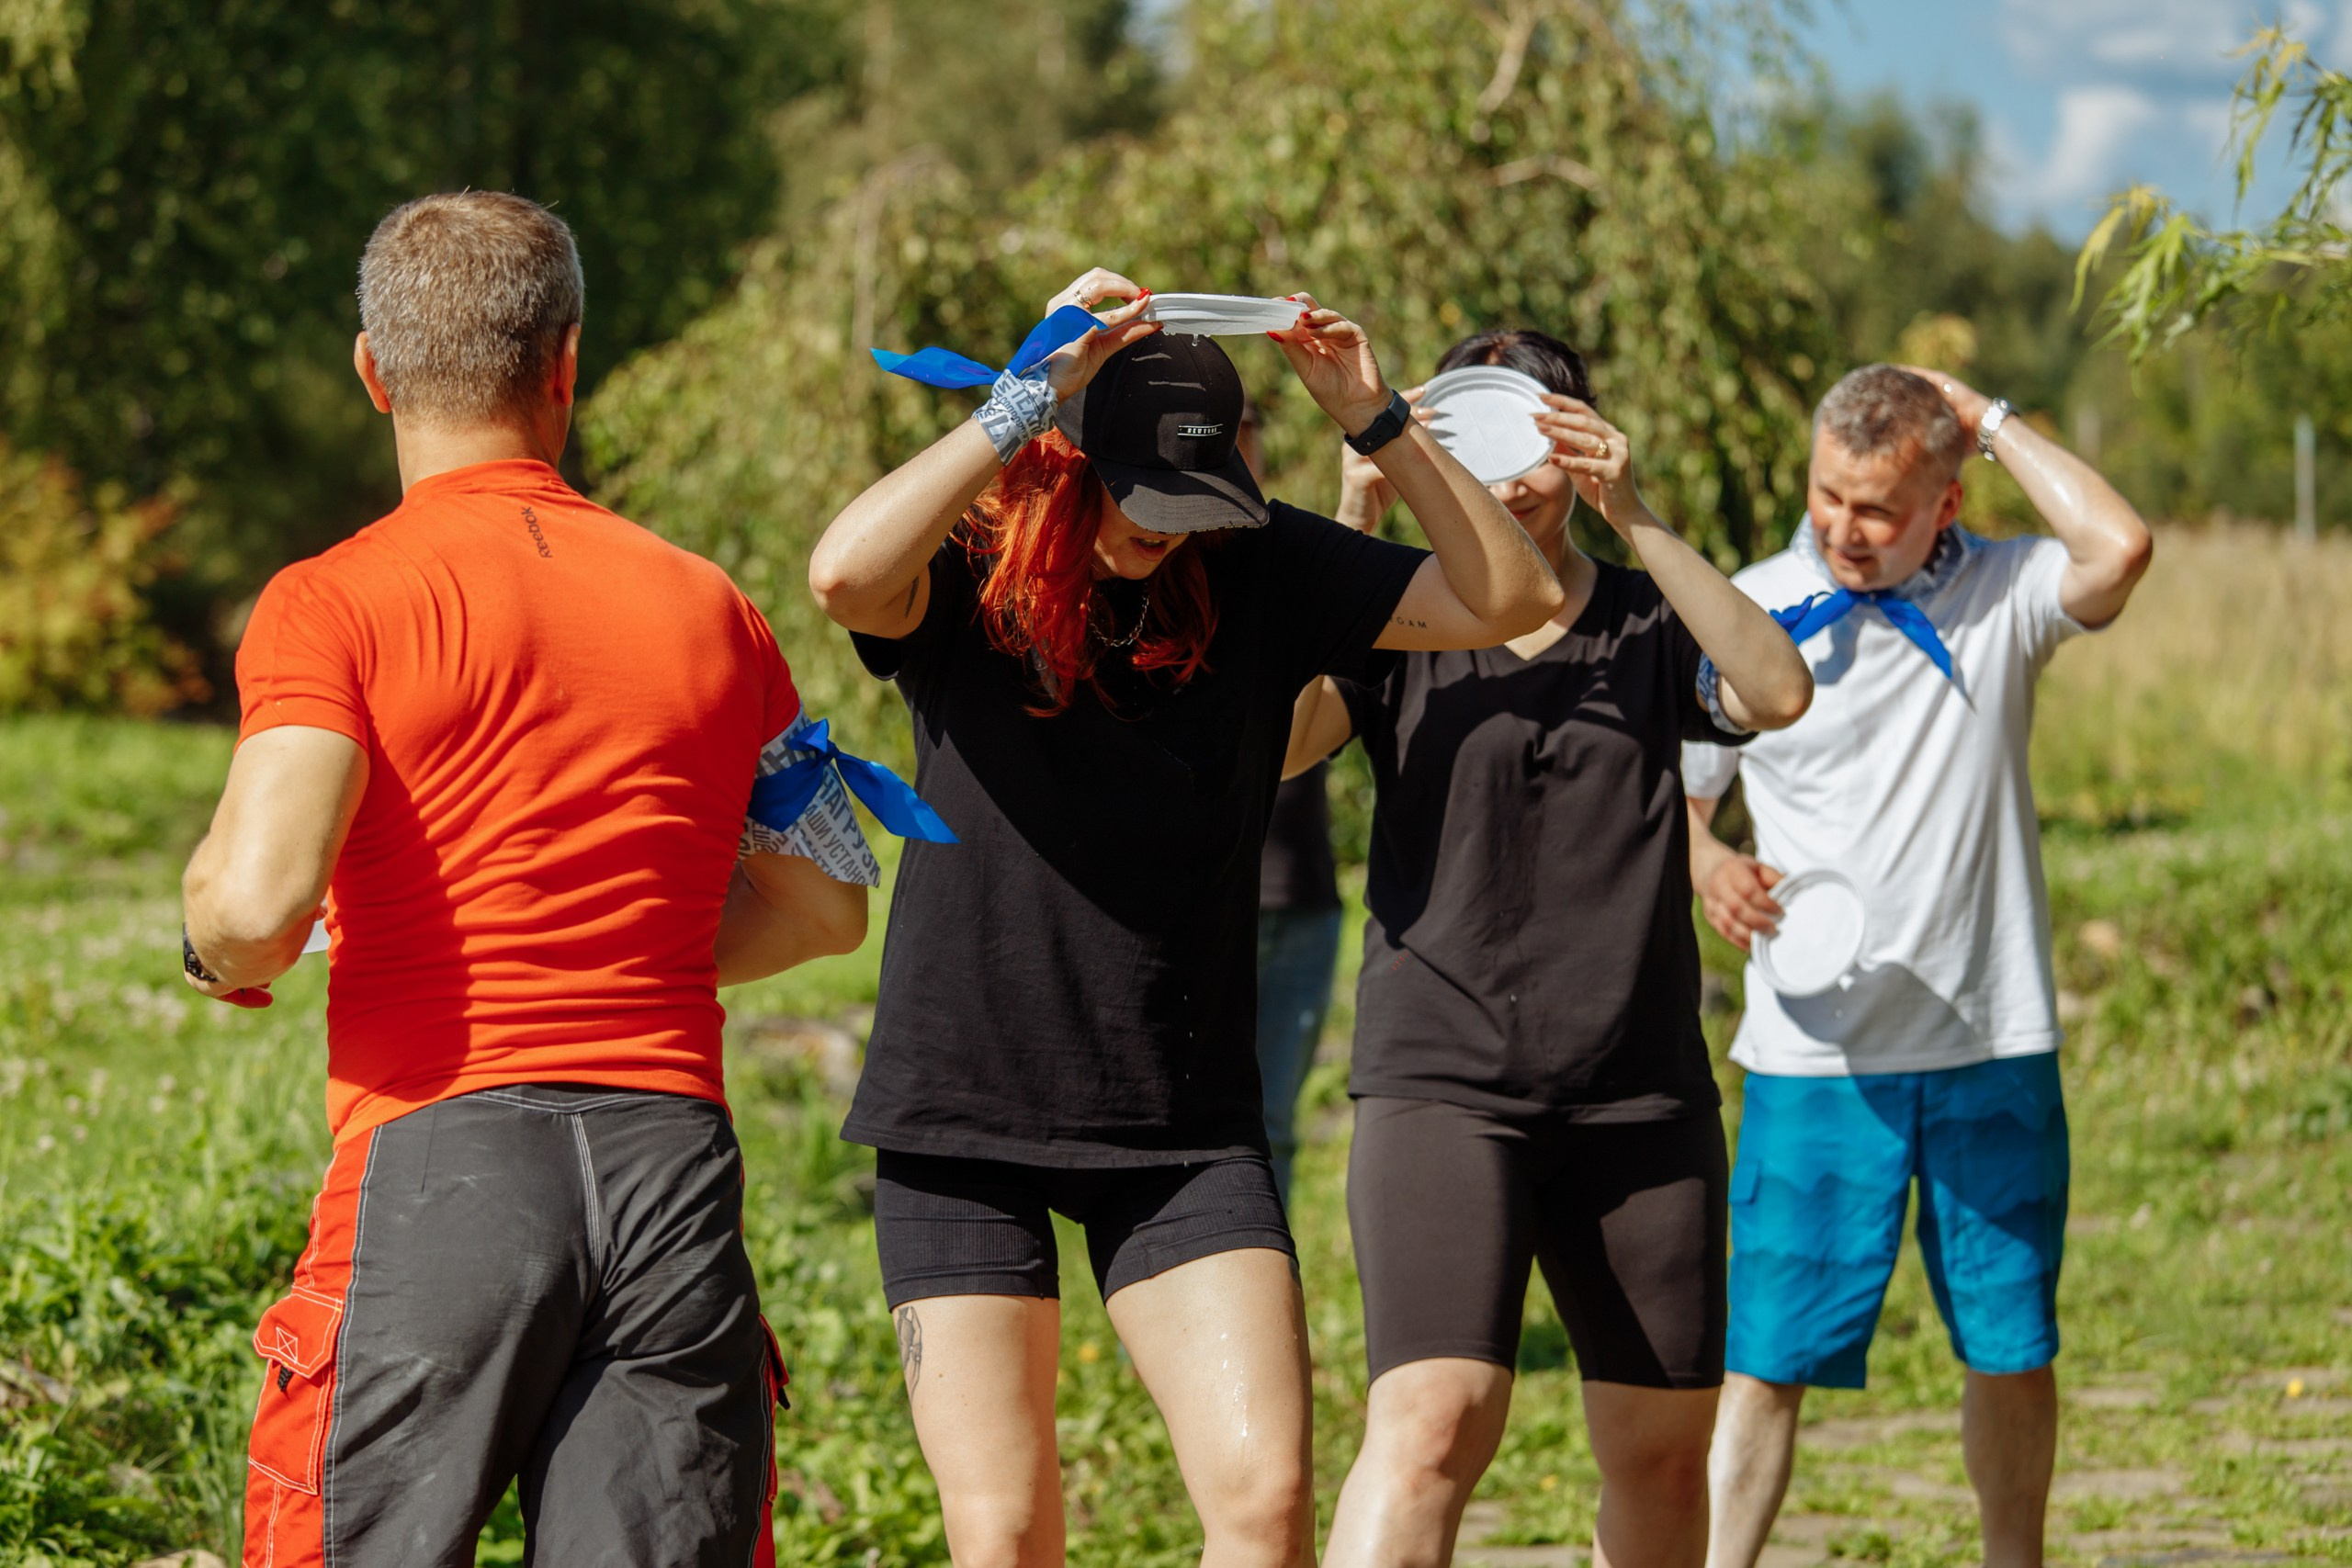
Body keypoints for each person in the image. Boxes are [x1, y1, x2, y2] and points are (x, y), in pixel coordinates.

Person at [808, 269, 1564, 1568]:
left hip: (1178, 1120)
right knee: (1002, 1531)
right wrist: (1020, 401)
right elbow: (840, 572)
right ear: (1070, 462)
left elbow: (1510, 596)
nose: (1170, 531)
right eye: (1142, 500)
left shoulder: (1259, 561)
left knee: (1266, 1506)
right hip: (965, 1112)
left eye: (1194, 502)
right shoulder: (977, 570)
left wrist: (1378, 420)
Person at [179, 190, 880, 1567]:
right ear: (567, 365)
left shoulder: (331, 598)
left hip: (439, 1160)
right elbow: (826, 898)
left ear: (374, 369)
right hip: (672, 1173)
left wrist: (213, 945)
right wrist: (629, 950)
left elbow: (258, 909)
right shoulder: (716, 604)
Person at [1285, 330, 1815, 1568]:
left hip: (1639, 1093)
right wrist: (1349, 533)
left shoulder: (1648, 618)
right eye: (1478, 446)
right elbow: (1281, 743)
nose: (1513, 481)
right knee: (1430, 1421)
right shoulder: (1397, 612)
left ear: (1576, 451)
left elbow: (1779, 690)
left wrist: (1639, 515)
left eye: (1539, 447)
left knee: (1659, 1446)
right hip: (1441, 1082)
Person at [1686, 365, 2153, 1568]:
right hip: (1811, 1055)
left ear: (1947, 503)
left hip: (1990, 1042)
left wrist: (1988, 420)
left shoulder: (2004, 592)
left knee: (2011, 1344)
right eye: (1828, 494)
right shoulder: (1750, 600)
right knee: (1766, 1355)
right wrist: (1706, 864)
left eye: (1880, 506)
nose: (1844, 526)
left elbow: (2120, 544)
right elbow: (1677, 793)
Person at [1237, 394, 1348, 1207]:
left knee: (1273, 1122)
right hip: (1215, 896)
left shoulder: (1293, 554)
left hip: (1305, 897)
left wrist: (1358, 508)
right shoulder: (1155, 557)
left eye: (1245, 439)